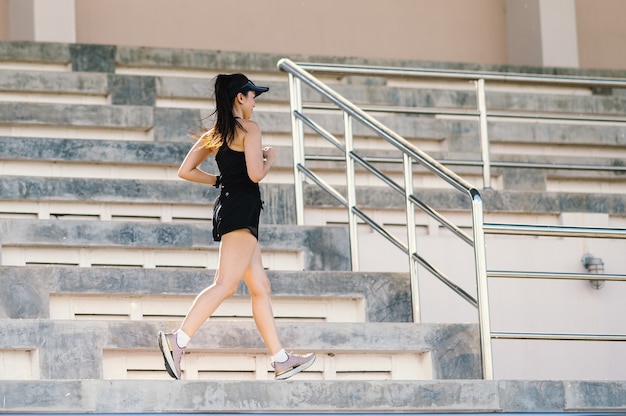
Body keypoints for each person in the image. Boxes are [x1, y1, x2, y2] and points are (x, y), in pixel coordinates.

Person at [157, 73, 315, 380]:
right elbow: (255, 174)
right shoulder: (250, 129)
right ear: (240, 97)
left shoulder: (215, 133)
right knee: (226, 284)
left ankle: (280, 359)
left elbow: (185, 171)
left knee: (260, 288)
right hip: (242, 210)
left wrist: (218, 180)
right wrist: (269, 159)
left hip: (231, 208)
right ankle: (178, 341)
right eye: (253, 95)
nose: (255, 102)